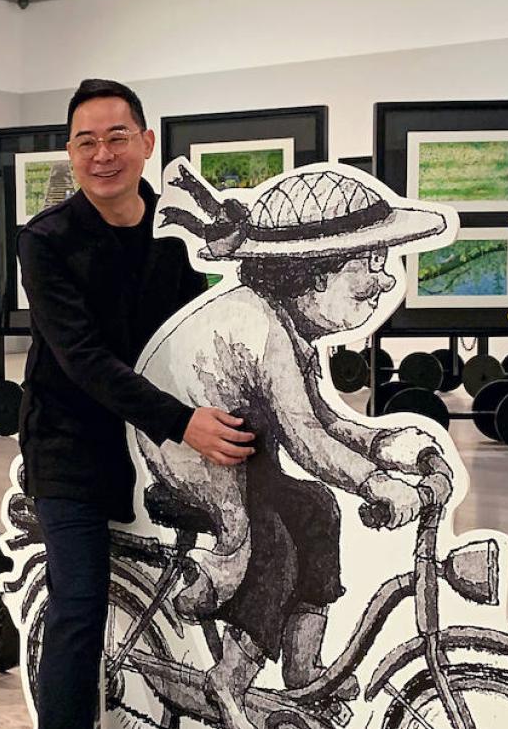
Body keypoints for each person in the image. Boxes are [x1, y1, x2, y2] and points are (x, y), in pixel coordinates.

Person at [129, 163, 447, 727]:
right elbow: (306, 441)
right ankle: (225, 679)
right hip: (185, 446)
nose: (383, 281)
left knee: (317, 509)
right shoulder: (261, 327)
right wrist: (376, 481)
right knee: (264, 541)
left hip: (242, 444)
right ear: (313, 274)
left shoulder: (287, 327)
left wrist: (390, 446)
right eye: (368, 264)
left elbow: (320, 417)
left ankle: (303, 667)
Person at [16, 79, 256, 729]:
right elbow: (84, 360)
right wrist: (185, 424)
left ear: (146, 143)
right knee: (81, 606)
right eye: (86, 141)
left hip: (157, 447)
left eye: (116, 137)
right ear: (71, 153)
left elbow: (207, 331)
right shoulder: (45, 241)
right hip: (72, 450)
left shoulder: (182, 234)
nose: (102, 154)